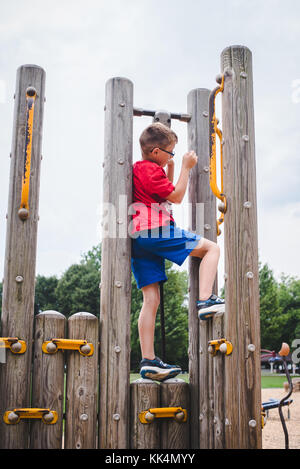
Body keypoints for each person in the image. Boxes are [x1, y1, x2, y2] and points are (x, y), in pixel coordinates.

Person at [130, 123, 225, 381]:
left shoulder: (141, 170)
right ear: (157, 152)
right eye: (170, 153)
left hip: (139, 239)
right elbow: (175, 196)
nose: (173, 156)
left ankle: (148, 360)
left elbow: (160, 191)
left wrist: (171, 167)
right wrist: (185, 167)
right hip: (155, 230)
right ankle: (206, 299)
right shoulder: (150, 169)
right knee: (211, 248)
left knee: (151, 300)